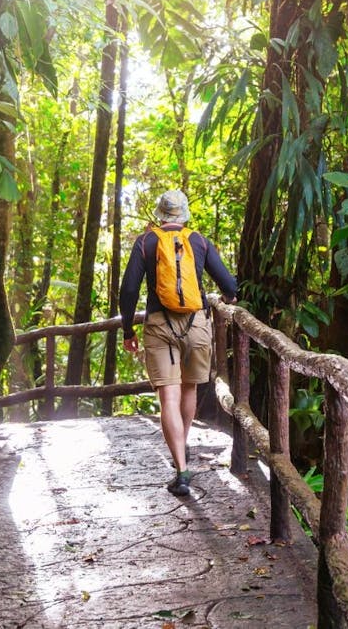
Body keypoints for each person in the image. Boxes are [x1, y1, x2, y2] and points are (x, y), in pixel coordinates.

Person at [119, 189, 238, 496]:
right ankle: (181, 448)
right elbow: (228, 284)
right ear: (184, 214)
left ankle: (182, 469)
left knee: (168, 398)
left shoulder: (146, 242)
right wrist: (229, 297)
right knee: (189, 389)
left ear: (159, 214)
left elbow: (129, 290)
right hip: (196, 324)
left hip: (160, 325)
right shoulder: (198, 241)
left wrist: (128, 330)